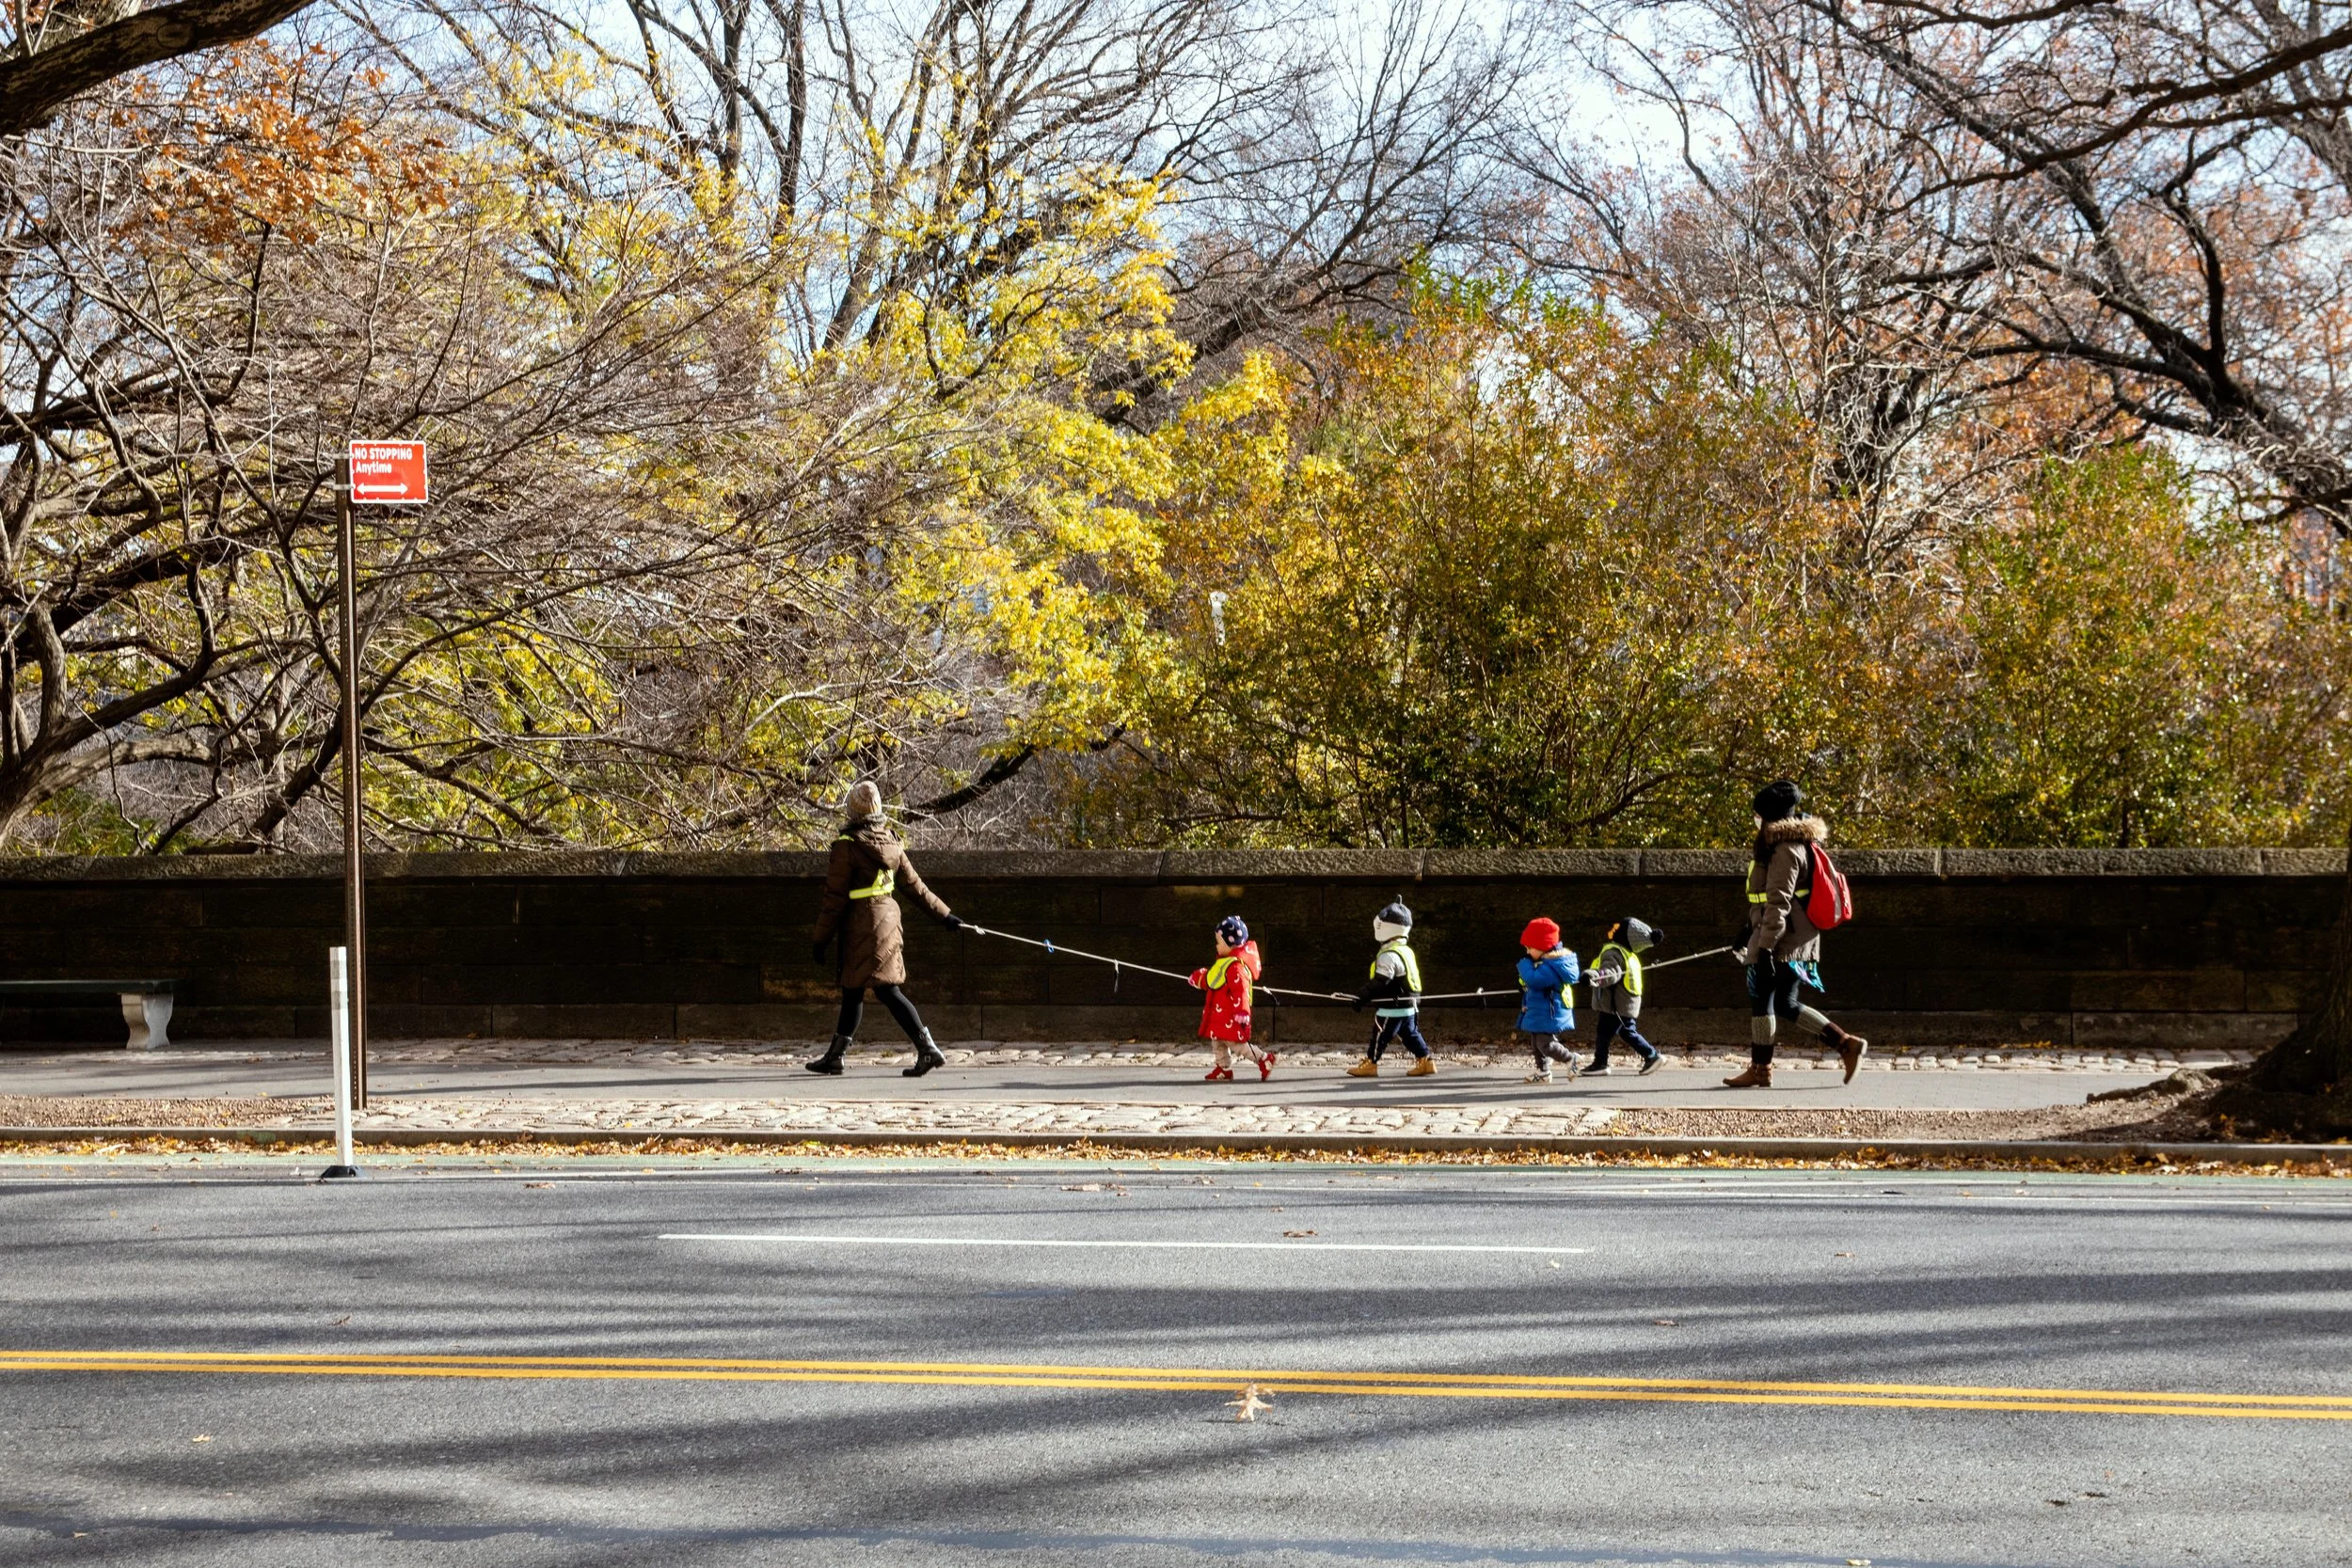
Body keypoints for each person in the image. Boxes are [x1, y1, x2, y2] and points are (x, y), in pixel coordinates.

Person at [805, 781, 962, 1077]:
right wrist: (945, 915)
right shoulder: (891, 840)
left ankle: (927, 1048)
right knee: (855, 989)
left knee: (886, 989)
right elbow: (915, 887)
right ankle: (836, 1056)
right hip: (887, 919)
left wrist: (820, 938)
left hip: (860, 924)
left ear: (852, 810)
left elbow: (834, 898)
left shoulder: (847, 845)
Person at [1724, 779, 1868, 1088]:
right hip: (1788, 936)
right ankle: (1845, 1044)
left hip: (1782, 940)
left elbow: (1778, 901)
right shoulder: (1788, 845)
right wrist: (1748, 929)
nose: (1756, 821)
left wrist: (1763, 951)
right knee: (1785, 1003)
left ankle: (1761, 1070)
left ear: (1771, 817)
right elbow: (1764, 901)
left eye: (1758, 815)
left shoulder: (1785, 849)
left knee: (1763, 1000)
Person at [1349, 901, 1434, 1077]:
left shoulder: (1389, 955)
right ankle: (1426, 1060)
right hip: (1410, 1007)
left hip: (1391, 1008)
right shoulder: (1405, 950)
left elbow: (1381, 981)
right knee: (1411, 1035)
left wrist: (1361, 997)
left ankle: (1371, 1063)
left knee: (1379, 1036)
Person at [1191, 915, 1271, 1081]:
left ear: (1231, 943)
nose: (1216, 945)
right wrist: (1198, 978)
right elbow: (1213, 980)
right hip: (1220, 1016)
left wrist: (1242, 1011)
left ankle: (1264, 1059)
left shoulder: (1236, 967)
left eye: (1219, 942)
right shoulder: (1225, 963)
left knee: (1238, 1045)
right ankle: (1223, 1068)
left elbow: (1241, 991)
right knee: (1217, 1042)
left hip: (1231, 1016)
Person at [1585, 917, 1665, 1076]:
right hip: (1624, 1002)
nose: (1612, 927)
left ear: (1623, 935)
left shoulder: (1613, 952)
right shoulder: (1628, 954)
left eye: (1617, 926)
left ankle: (1650, 1056)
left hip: (1614, 1004)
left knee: (1608, 1032)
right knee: (1622, 1031)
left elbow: (1610, 973)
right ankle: (1649, 1056)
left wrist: (1592, 976)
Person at [1515, 918, 1582, 1083]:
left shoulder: (1551, 967)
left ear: (1542, 947)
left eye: (1530, 948)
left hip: (1549, 1011)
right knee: (1535, 1043)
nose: (1528, 952)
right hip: (1541, 1010)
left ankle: (1570, 1058)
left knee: (1545, 1044)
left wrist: (1524, 966)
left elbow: (1534, 980)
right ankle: (1543, 1071)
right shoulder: (1544, 963)